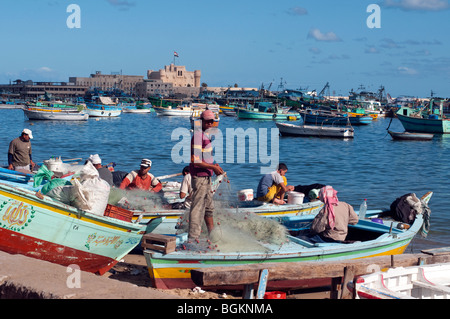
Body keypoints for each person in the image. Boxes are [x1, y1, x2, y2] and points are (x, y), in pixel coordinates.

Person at [188, 109, 224, 240]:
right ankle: (193, 238)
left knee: (209, 208)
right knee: (198, 208)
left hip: (206, 176)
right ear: (201, 122)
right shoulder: (198, 136)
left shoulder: (206, 136)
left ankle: (212, 235)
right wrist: (212, 167)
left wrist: (214, 165)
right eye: (207, 121)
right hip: (200, 177)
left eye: (211, 122)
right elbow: (195, 160)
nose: (210, 124)